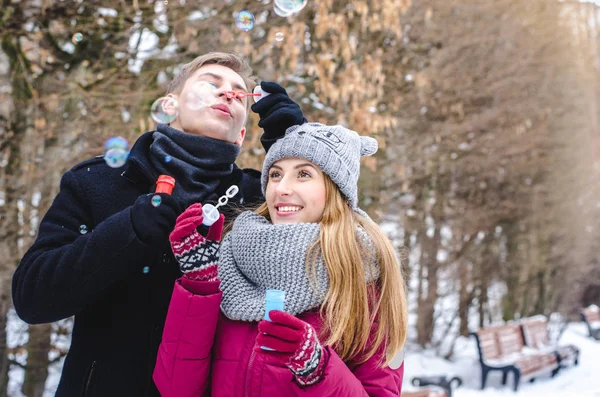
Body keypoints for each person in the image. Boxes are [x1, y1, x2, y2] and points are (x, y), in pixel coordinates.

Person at [11, 52, 306, 397]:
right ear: (170, 106)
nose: (228, 92)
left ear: (242, 133)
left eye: (238, 91)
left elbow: (337, 254)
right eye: (211, 83)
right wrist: (127, 231)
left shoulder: (259, 198)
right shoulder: (96, 182)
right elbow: (32, 298)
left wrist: (295, 151)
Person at [154, 122, 408, 396]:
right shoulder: (232, 262)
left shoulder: (364, 275)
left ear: (336, 189)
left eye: (303, 175)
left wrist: (318, 371)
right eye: (275, 174)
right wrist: (200, 285)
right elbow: (175, 389)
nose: (282, 188)